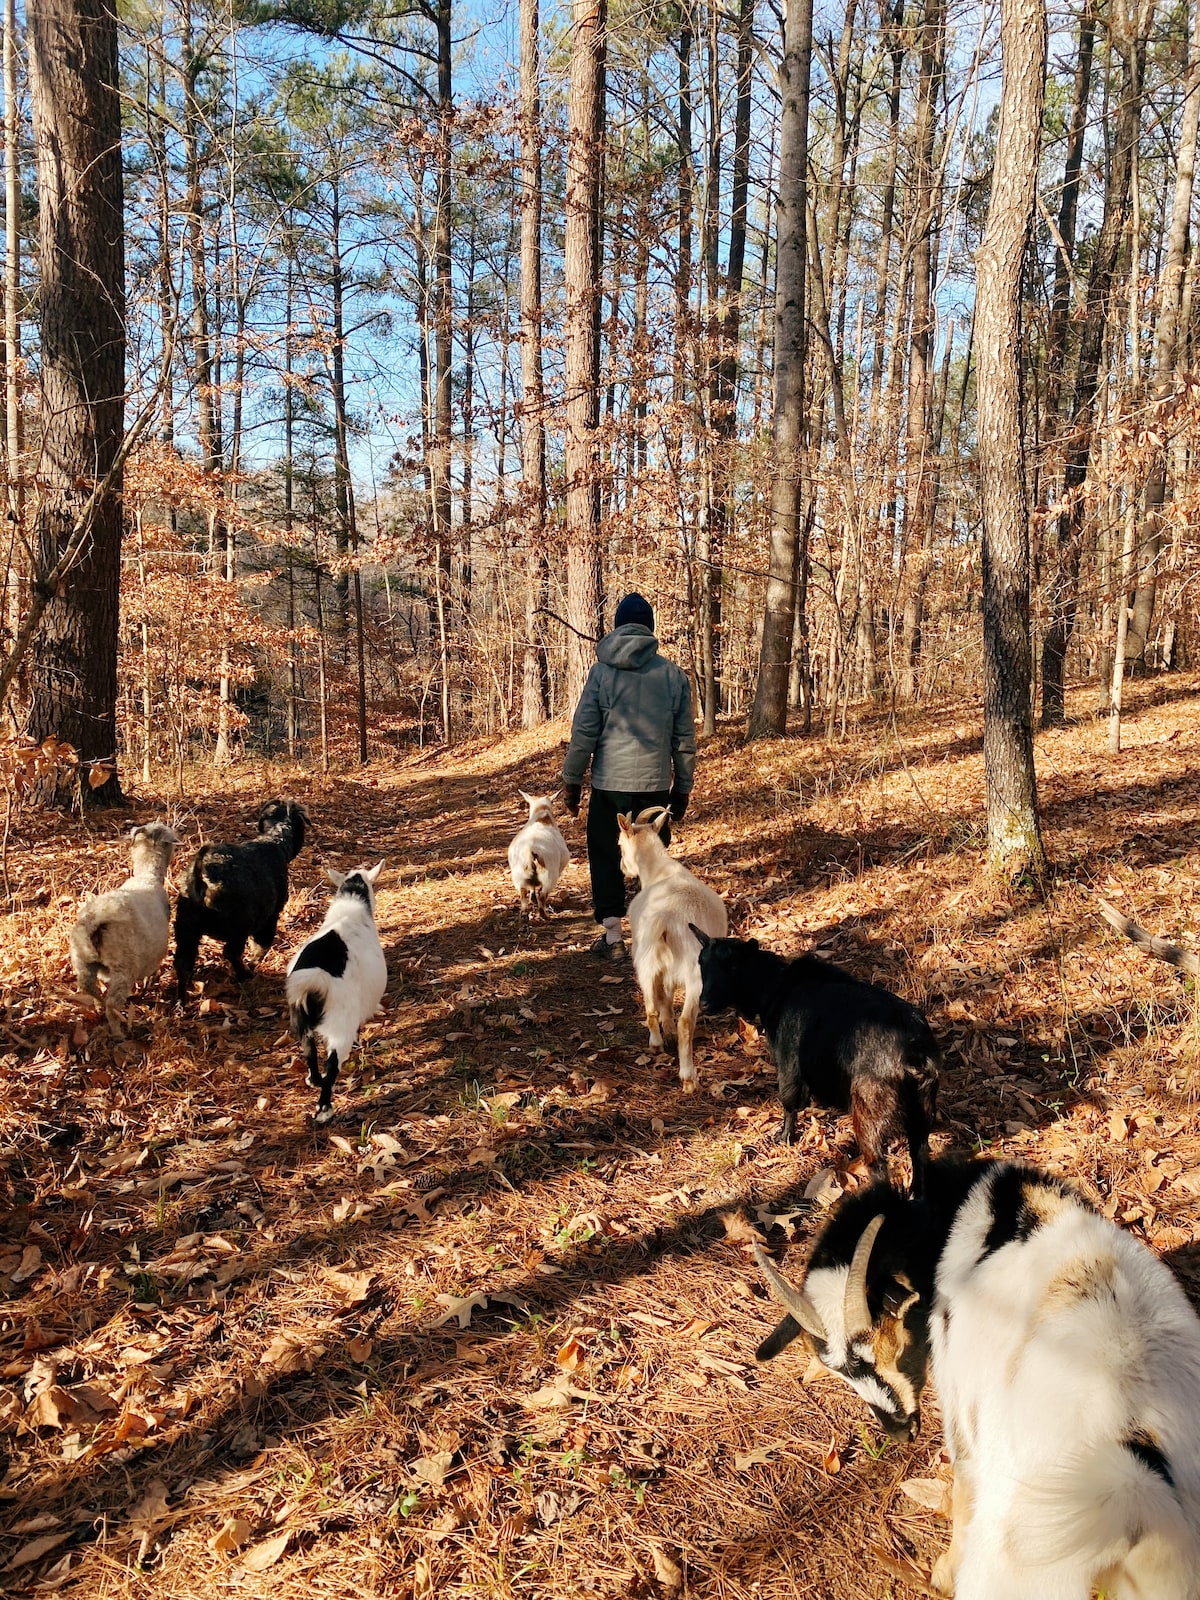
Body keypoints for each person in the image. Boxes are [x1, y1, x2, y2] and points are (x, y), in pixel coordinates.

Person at [561, 593, 696, 960]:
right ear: (649, 628)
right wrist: (682, 789)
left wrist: (572, 781)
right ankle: (656, 939)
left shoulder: (601, 674)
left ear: (618, 627)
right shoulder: (673, 676)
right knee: (654, 862)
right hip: (655, 789)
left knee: (606, 855)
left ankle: (612, 938)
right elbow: (683, 740)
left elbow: (584, 732)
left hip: (609, 788)